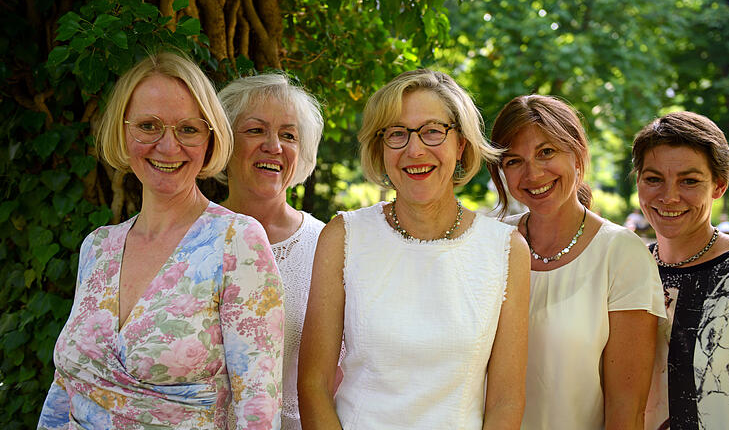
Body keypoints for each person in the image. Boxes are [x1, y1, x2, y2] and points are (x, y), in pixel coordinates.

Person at [37, 52, 283, 429]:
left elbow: (258, 409)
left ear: (210, 138)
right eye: (149, 126)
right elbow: (66, 386)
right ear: (122, 130)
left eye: (188, 129)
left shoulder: (237, 242)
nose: (168, 147)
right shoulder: (98, 247)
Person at [298, 69, 530, 429]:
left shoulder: (505, 250)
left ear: (461, 144)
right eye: (397, 134)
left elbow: (506, 400)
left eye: (433, 131)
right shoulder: (344, 236)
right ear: (380, 147)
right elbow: (313, 385)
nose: (415, 149)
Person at [487, 94, 666, 429]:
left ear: (578, 154)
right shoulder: (491, 243)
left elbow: (626, 409)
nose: (533, 173)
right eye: (513, 161)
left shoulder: (621, 253)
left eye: (546, 152)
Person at [633, 111, 729, 429]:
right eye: (654, 179)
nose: (668, 196)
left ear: (719, 186)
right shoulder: (626, 270)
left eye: (689, 181)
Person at [217, 74, 329, 430]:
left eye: (288, 135)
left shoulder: (327, 245)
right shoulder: (191, 237)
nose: (274, 146)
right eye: (255, 130)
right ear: (224, 142)